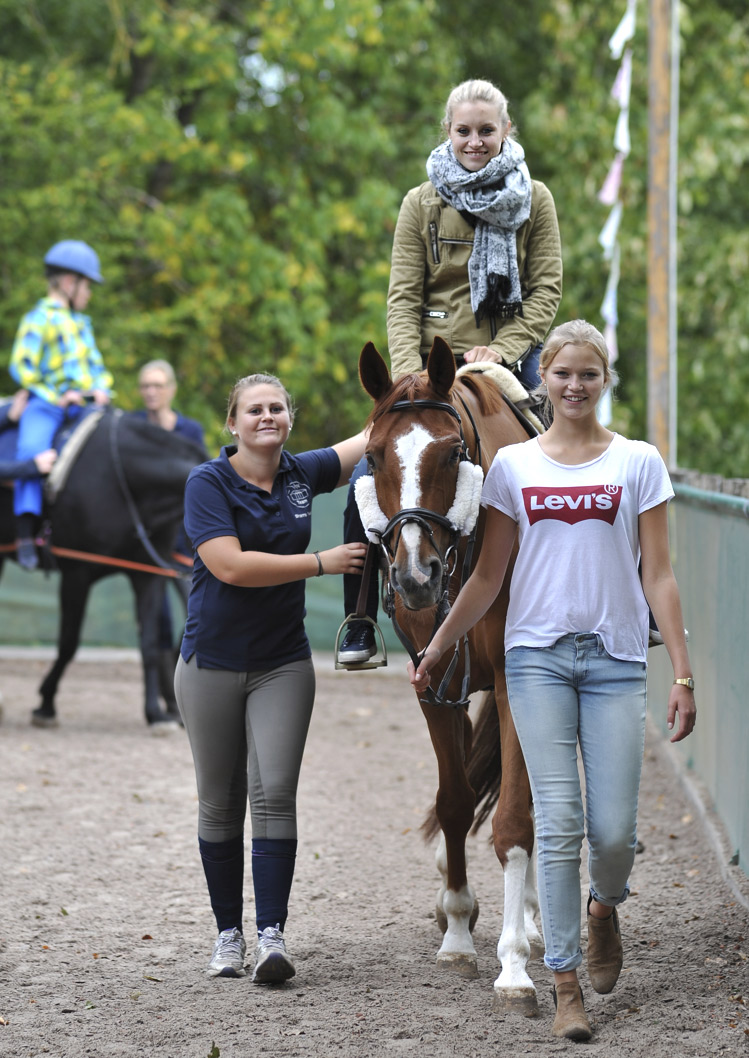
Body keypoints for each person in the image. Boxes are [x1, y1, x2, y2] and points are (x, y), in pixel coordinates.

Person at [408, 320, 696, 1042]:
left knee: (614, 832)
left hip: (614, 660)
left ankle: (603, 909)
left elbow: (657, 573)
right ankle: (564, 981)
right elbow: (485, 574)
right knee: (559, 824)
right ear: (546, 380)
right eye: (561, 374)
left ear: (603, 381)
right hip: (535, 658)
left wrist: (684, 673)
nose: (573, 385)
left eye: (587, 374)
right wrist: (441, 643)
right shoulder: (513, 469)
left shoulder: (638, 463)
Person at [337, 77, 563, 665]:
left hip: (507, 358)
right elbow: (402, 299)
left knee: (566, 466)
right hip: (429, 371)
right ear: (448, 131)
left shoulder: (535, 198)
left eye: (487, 130)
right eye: (464, 130)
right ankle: (359, 618)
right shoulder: (419, 203)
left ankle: (595, 602)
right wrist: (412, 381)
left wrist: (503, 349)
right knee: (370, 479)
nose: (475, 141)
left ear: (506, 131)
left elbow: (546, 291)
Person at [174, 373, 368, 983]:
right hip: (209, 663)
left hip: (283, 663)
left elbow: (371, 437)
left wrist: (420, 391)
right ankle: (227, 935)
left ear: (291, 416)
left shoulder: (301, 475)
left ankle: (271, 938)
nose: (267, 417)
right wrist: (320, 563)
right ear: (232, 422)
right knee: (221, 800)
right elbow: (228, 566)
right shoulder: (207, 482)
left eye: (277, 407)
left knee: (275, 792)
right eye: (254, 409)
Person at [8, 240, 113, 570]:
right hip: (47, 404)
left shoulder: (81, 324)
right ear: (70, 282)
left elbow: (97, 366)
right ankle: (25, 532)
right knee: (32, 449)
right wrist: (56, 395)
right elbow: (21, 367)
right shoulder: (38, 318)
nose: (89, 294)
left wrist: (101, 388)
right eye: (88, 286)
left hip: (84, 405)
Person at [133, 359, 207, 700]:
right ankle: (163, 697)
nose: (151, 392)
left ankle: (180, 690)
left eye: (157, 385)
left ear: (171, 390)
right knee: (155, 621)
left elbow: (201, 484)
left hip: (183, 542)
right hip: (145, 544)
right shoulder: (131, 428)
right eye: (145, 385)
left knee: (198, 613)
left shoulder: (189, 431)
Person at [0, 391, 57, 480]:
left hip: (31, 411)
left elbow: (11, 414)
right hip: (23, 466)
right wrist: (32, 467)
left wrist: (9, 416)